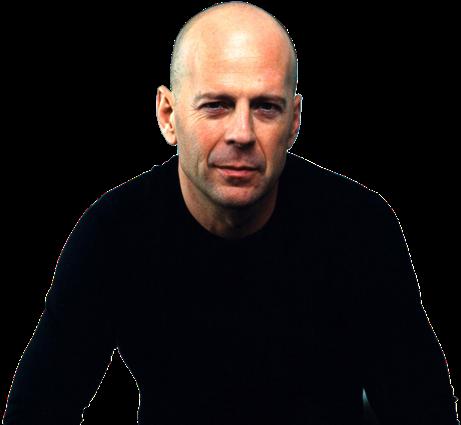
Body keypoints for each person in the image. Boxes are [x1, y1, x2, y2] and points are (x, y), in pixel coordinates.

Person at [3, 2, 458, 424]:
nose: (241, 133)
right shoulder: (113, 234)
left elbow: (424, 411)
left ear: (294, 121)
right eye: (217, 106)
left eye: (265, 107)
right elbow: (38, 409)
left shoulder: (359, 228)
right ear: (168, 115)